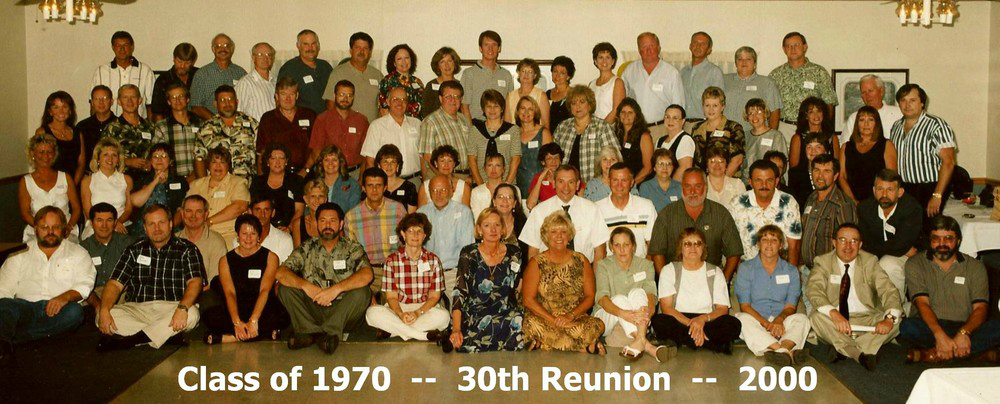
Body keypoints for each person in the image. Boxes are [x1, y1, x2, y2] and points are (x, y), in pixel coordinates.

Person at [96, 204, 205, 351]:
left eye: (161, 222)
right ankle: (165, 335)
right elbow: (115, 284)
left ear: (170, 224)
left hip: (172, 307)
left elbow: (195, 282)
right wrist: (104, 310)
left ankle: (131, 341)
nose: (157, 228)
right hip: (138, 309)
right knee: (102, 314)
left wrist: (182, 308)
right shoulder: (133, 250)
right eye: (151, 224)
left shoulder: (187, 249)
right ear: (145, 228)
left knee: (191, 313)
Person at [0, 206, 95, 364]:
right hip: (24, 309)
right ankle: (10, 337)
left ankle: (11, 339)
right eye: (44, 227)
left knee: (75, 312)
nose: (50, 232)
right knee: (5, 306)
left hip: (58, 309)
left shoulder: (78, 253)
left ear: (63, 228)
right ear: (35, 229)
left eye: (55, 227)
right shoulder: (19, 253)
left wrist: (64, 297)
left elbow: (85, 283)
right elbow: (3, 288)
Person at [275, 202, 373, 354]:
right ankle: (309, 331)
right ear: (317, 223)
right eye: (323, 221)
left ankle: (328, 332)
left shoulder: (352, 247)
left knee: (363, 292)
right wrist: (306, 286)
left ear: (341, 224)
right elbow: (281, 272)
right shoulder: (307, 247)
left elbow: (367, 274)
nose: (327, 225)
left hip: (343, 309)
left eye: (332, 221)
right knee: (284, 288)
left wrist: (336, 290)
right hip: (313, 307)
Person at [900, 215, 1000, 362]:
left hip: (967, 326)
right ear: (929, 240)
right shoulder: (915, 264)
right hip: (931, 326)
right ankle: (974, 354)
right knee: (907, 327)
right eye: (936, 238)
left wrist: (964, 333)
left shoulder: (975, 267)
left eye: (948, 238)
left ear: (958, 241)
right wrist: (939, 335)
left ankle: (934, 354)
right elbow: (922, 304)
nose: (942, 243)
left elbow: (981, 308)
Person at [806, 223, 901, 371]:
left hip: (868, 318)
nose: (848, 246)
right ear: (834, 243)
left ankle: (842, 347)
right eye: (843, 240)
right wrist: (834, 313)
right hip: (835, 321)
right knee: (816, 318)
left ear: (860, 245)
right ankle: (860, 352)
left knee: (897, 320)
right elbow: (814, 290)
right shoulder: (823, 262)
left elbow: (888, 290)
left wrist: (888, 319)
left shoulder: (870, 261)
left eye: (854, 241)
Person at [522, 211, 606, 353]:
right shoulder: (536, 262)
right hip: (545, 318)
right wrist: (554, 320)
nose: (559, 236)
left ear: (569, 236)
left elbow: (590, 297)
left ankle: (545, 344)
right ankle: (584, 345)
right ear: (546, 236)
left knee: (598, 324)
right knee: (531, 323)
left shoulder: (581, 260)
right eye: (554, 232)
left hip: (574, 319)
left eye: (563, 232)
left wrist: (569, 316)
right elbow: (528, 300)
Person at [445, 207, 525, 353]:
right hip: (475, 313)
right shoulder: (469, 253)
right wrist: (456, 328)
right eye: (487, 225)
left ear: (503, 229)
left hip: (504, 312)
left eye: (497, 225)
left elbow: (518, 287)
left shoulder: (514, 253)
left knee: (519, 321)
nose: (493, 230)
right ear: (479, 230)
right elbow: (459, 291)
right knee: (468, 331)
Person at [651, 227, 741, 354]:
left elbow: (722, 309)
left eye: (698, 243)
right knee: (659, 321)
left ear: (703, 247)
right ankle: (711, 343)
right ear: (680, 247)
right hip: (680, 319)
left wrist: (701, 320)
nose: (693, 248)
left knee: (733, 324)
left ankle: (683, 341)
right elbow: (666, 308)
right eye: (687, 244)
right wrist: (692, 324)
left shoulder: (715, 272)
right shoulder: (669, 270)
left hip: (707, 320)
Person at [203, 214, 289, 344]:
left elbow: (265, 290)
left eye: (253, 234)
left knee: (282, 316)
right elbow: (230, 293)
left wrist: (253, 320)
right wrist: (237, 322)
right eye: (244, 234)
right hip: (236, 306)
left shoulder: (271, 257)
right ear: (237, 235)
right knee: (210, 316)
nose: (248, 238)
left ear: (259, 236)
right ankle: (261, 334)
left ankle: (231, 337)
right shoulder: (225, 260)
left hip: (261, 306)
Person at [365, 213, 450, 341]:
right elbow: (391, 297)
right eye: (410, 231)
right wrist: (400, 314)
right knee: (372, 313)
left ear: (424, 235)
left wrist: (417, 313)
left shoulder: (433, 260)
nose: (415, 235)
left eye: (419, 231)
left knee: (444, 317)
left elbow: (434, 296)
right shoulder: (391, 261)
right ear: (403, 234)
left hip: (424, 308)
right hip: (398, 307)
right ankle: (423, 335)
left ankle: (394, 332)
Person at [734, 225, 810, 366]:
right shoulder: (745, 269)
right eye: (764, 239)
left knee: (802, 319)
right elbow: (745, 306)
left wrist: (779, 321)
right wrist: (767, 324)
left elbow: (790, 306)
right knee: (740, 319)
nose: (769, 244)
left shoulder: (791, 271)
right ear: (758, 244)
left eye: (774, 240)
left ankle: (777, 349)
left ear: (781, 245)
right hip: (757, 321)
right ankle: (785, 350)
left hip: (781, 323)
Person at [649, 168, 744, 279]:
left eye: (698, 186)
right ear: (681, 187)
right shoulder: (666, 215)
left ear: (705, 187)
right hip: (677, 279)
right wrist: (666, 282)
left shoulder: (720, 213)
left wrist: (723, 281)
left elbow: (734, 252)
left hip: (711, 279)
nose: (692, 192)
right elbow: (657, 252)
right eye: (688, 186)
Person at [593, 227, 670, 361]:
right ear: (611, 248)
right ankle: (647, 344)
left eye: (626, 245)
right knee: (619, 298)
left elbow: (651, 295)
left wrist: (647, 313)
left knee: (638, 292)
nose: (622, 249)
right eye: (617, 245)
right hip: (606, 316)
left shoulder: (646, 265)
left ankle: (640, 341)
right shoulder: (603, 266)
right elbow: (602, 299)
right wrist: (623, 313)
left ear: (633, 246)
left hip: (638, 316)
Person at [890, 84, 956, 218]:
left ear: (922, 103)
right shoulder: (896, 126)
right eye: (903, 100)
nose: (907, 105)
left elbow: (948, 162)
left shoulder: (936, 125)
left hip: (929, 189)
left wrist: (937, 195)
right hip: (905, 190)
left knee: (927, 228)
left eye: (912, 100)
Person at [521, 165, 610, 262]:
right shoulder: (539, 211)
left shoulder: (592, 209)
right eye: (561, 182)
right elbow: (533, 251)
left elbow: (600, 250)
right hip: (548, 268)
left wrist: (593, 272)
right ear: (554, 183)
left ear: (577, 184)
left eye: (571, 182)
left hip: (584, 268)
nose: (566, 187)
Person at [858, 170, 922, 302]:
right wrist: (899, 248)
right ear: (874, 190)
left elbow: (902, 244)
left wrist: (898, 248)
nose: (884, 195)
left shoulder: (912, 208)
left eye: (890, 190)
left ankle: (896, 307)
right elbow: (866, 243)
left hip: (909, 257)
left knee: (888, 264)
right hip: (891, 252)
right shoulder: (865, 208)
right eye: (880, 189)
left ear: (900, 192)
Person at [344, 168, 407, 297]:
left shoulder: (398, 210)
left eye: (378, 185)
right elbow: (352, 254)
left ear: (385, 187)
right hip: (367, 273)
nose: (374, 190)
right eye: (370, 186)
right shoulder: (352, 216)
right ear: (363, 188)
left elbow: (407, 244)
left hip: (395, 271)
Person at [731, 160, 802, 267]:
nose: (764, 185)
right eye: (758, 180)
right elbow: (732, 245)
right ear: (750, 182)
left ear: (776, 181)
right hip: (748, 267)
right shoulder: (737, 203)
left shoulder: (788, 202)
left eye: (769, 180)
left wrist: (791, 273)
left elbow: (794, 246)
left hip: (780, 266)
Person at [417, 175, 476, 299]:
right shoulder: (421, 214)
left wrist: (463, 276)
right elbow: (417, 247)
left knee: (457, 306)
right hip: (428, 273)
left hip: (454, 273)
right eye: (434, 190)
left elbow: (467, 249)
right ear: (429, 193)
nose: (439, 195)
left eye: (443, 190)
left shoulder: (464, 212)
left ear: (451, 191)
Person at [769, 32, 838, 138]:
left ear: (805, 47)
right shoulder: (775, 75)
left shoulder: (819, 72)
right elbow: (769, 106)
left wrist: (823, 129)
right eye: (788, 46)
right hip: (783, 129)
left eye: (796, 45)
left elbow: (829, 103)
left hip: (811, 128)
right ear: (784, 49)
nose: (792, 49)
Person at [19, 134, 82, 242]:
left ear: (54, 154)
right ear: (33, 153)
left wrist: (68, 227)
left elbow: (76, 208)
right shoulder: (26, 181)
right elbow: (25, 214)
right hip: (37, 233)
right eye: (41, 152)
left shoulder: (65, 177)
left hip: (65, 233)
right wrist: (42, 229)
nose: (46, 156)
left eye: (49, 152)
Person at [801, 154, 858, 272]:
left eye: (826, 171)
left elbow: (850, 244)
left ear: (835, 175)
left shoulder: (842, 205)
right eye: (817, 170)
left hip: (831, 272)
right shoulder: (811, 198)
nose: (820, 176)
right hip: (807, 270)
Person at [622, 32, 685, 139]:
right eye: (644, 47)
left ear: (658, 48)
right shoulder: (629, 71)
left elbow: (679, 106)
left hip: (662, 129)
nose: (648, 50)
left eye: (652, 46)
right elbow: (623, 102)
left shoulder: (671, 73)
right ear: (639, 50)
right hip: (635, 129)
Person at [553, 85, 619, 183]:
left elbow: (615, 158)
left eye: (582, 102)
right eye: (574, 103)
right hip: (566, 184)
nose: (578, 106)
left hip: (594, 184)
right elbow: (553, 157)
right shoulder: (562, 127)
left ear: (590, 105)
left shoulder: (602, 127)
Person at [187, 146, 250, 242]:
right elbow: (187, 210)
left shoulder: (238, 183)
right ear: (208, 165)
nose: (218, 166)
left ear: (228, 166)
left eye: (222, 162)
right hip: (200, 236)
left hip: (228, 236)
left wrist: (209, 221)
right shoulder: (196, 185)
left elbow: (239, 207)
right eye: (214, 162)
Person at [194, 85, 259, 179]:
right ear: (215, 104)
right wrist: (203, 185)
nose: (227, 103)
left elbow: (261, 155)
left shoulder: (252, 124)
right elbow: (199, 159)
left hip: (247, 183)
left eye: (230, 99)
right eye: (222, 100)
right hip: (216, 185)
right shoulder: (206, 128)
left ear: (237, 102)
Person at [309, 80, 370, 178]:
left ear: (353, 98)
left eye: (349, 95)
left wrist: (361, 177)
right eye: (342, 94)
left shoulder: (362, 121)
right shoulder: (322, 119)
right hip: (330, 174)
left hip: (355, 174)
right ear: (334, 96)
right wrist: (326, 175)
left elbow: (366, 153)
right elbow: (316, 151)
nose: (345, 99)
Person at [256, 77, 316, 176]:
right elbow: (261, 152)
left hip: (306, 173)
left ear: (297, 95)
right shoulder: (268, 119)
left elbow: (317, 147)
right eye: (283, 94)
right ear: (277, 96)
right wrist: (261, 180)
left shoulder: (309, 115)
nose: (288, 99)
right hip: (276, 175)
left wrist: (305, 171)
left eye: (291, 94)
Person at [596, 163, 658, 258]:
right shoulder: (597, 209)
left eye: (624, 180)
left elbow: (653, 245)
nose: (619, 185)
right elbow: (598, 250)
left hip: (640, 264)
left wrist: (646, 265)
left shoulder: (646, 206)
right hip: (610, 265)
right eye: (615, 180)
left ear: (632, 182)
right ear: (609, 181)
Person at [839, 106, 898, 203]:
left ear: (877, 123)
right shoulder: (846, 147)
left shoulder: (886, 145)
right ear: (857, 124)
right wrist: (853, 201)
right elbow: (841, 176)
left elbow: (891, 176)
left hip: (878, 201)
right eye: (862, 120)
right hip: (851, 201)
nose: (866, 124)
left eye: (871, 120)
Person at [81, 203, 134, 308]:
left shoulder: (128, 244)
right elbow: (81, 282)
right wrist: (98, 305)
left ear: (115, 222)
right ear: (91, 223)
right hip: (92, 295)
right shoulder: (83, 248)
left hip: (121, 294)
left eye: (109, 220)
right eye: (99, 220)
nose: (104, 225)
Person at [92, 31, 156, 118]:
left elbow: (150, 104)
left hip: (137, 123)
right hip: (108, 123)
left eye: (125, 45)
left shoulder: (145, 71)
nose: (122, 49)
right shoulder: (101, 71)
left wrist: (150, 125)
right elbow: (93, 103)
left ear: (132, 47)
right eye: (118, 45)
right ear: (113, 47)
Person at [129, 143, 188, 237]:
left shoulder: (180, 181)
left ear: (170, 161)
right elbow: (135, 202)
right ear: (151, 161)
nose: (159, 159)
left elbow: (181, 210)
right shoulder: (142, 179)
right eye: (155, 156)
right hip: (143, 230)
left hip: (171, 229)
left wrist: (168, 228)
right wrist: (155, 181)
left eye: (164, 156)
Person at [361, 86, 419, 182]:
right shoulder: (376, 126)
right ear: (388, 102)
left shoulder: (417, 124)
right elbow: (370, 160)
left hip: (414, 180)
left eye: (403, 100)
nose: (399, 103)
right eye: (395, 99)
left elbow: (422, 157)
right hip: (387, 181)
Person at [322, 32, 383, 122]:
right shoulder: (338, 73)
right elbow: (330, 104)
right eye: (357, 47)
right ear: (351, 51)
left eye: (365, 48)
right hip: (347, 128)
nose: (361, 52)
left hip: (372, 128)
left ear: (370, 52)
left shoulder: (377, 75)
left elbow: (383, 105)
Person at [101, 84, 156, 180]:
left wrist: (151, 163)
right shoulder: (111, 128)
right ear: (119, 101)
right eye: (125, 97)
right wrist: (127, 161)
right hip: (120, 180)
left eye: (133, 97)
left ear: (140, 100)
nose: (129, 101)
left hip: (148, 180)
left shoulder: (150, 127)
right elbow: (102, 156)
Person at [81, 137, 133, 239]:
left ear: (118, 160)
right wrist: (107, 225)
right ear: (98, 159)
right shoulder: (87, 181)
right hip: (95, 227)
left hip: (120, 225)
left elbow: (128, 209)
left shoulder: (127, 179)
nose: (110, 159)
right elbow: (88, 211)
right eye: (105, 155)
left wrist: (116, 223)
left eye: (114, 155)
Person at [723, 46, 782, 133]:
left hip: (752, 135)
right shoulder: (724, 80)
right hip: (726, 133)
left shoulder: (767, 83)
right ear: (735, 63)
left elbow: (774, 111)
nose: (744, 62)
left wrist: (771, 135)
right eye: (740, 59)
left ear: (755, 64)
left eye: (748, 59)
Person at [419, 81, 472, 178]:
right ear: (440, 98)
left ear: (461, 99)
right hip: (442, 177)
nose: (453, 100)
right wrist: (446, 179)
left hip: (466, 176)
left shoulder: (463, 119)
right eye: (448, 97)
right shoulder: (430, 122)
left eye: (457, 97)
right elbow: (427, 159)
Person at [469, 90, 521, 185]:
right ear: (483, 108)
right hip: (481, 183)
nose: (492, 110)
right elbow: (472, 159)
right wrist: (481, 186)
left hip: (507, 183)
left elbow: (516, 159)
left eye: (496, 106)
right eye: (489, 106)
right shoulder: (475, 130)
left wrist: (506, 185)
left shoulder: (513, 130)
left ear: (502, 108)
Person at [190, 33, 248, 120]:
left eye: (226, 45)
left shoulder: (241, 73)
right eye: (218, 46)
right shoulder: (202, 74)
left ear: (231, 49)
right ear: (213, 49)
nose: (222, 49)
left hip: (237, 125)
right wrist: (218, 122)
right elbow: (195, 106)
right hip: (210, 125)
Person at [277, 29, 333, 115]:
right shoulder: (289, 69)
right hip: (302, 120)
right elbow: (281, 101)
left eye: (313, 44)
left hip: (326, 119)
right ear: (298, 46)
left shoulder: (325, 67)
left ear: (318, 45)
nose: (310, 48)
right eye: (306, 44)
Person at [152, 83, 202, 180]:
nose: (177, 100)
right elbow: (157, 158)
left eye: (181, 96)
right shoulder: (161, 127)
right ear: (168, 102)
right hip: (171, 180)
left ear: (187, 99)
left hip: (198, 178)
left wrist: (194, 177)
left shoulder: (200, 124)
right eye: (173, 97)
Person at [691, 87, 745, 176]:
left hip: (727, 179)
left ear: (722, 107)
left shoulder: (733, 128)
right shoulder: (696, 128)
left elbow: (737, 159)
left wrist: (721, 181)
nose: (711, 109)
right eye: (707, 105)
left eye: (715, 105)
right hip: (701, 180)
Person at [461, 30, 514, 121]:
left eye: (494, 45)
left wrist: (506, 127)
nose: (490, 49)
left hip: (499, 125)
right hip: (476, 125)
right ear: (480, 48)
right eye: (486, 45)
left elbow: (509, 107)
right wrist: (471, 128)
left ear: (499, 48)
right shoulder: (469, 74)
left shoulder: (506, 75)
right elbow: (464, 106)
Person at [250, 143, 305, 229]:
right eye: (273, 158)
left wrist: (289, 228)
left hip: (287, 228)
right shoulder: (257, 182)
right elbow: (252, 209)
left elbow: (299, 210)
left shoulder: (296, 181)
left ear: (286, 161)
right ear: (268, 162)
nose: (277, 162)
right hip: (261, 227)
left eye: (281, 158)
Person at [176, 195, 228, 285]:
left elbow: (215, 281)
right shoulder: (173, 241)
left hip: (205, 292)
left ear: (206, 214)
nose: (193, 216)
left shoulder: (216, 242)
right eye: (188, 211)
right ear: (182, 213)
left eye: (199, 211)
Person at [840, 74, 903, 146]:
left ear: (881, 91)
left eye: (870, 91)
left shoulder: (898, 114)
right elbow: (844, 146)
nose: (867, 95)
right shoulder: (854, 118)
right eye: (863, 92)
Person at [36, 91, 85, 184]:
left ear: (70, 111)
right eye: (56, 107)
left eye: (65, 107)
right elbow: (39, 162)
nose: (61, 111)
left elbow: (81, 164)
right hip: (50, 184)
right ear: (50, 111)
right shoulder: (42, 132)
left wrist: (71, 186)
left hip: (74, 184)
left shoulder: (78, 133)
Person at [681, 32, 724, 123]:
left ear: (709, 50)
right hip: (683, 124)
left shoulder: (714, 72)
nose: (698, 46)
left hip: (704, 124)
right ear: (690, 46)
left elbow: (718, 103)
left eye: (703, 44)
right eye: (695, 42)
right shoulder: (683, 72)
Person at [150, 43, 199, 122]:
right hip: (169, 124)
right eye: (179, 61)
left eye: (187, 63)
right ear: (173, 58)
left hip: (197, 123)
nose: (182, 66)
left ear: (193, 62)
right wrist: (161, 128)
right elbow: (157, 112)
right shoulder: (163, 80)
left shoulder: (199, 75)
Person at [515, 96, 553, 197]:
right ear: (518, 111)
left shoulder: (544, 133)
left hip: (540, 187)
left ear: (535, 112)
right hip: (518, 188)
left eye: (530, 109)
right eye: (523, 108)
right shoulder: (514, 133)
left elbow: (550, 162)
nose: (526, 112)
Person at [789, 97, 840, 171]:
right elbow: (793, 169)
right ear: (806, 116)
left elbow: (836, 167)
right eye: (811, 112)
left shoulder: (832, 138)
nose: (816, 115)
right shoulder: (797, 138)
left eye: (819, 111)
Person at [238, 196, 294, 263]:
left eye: (266, 210)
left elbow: (287, 268)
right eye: (258, 210)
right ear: (250, 212)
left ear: (273, 213)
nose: (262, 215)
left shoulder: (284, 240)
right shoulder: (242, 240)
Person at [743, 98, 788, 180]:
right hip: (747, 182)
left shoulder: (776, 136)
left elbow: (781, 165)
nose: (754, 116)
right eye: (751, 113)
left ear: (765, 114)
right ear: (747, 117)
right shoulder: (745, 136)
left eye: (759, 112)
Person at [613, 98, 653, 184]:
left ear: (636, 116)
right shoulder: (615, 134)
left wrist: (632, 183)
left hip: (640, 182)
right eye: (623, 112)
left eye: (630, 112)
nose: (626, 115)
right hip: (621, 182)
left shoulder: (644, 136)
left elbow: (648, 168)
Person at [311, 145, 362, 213]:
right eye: (326, 160)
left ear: (340, 162)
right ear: (321, 163)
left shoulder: (352, 185)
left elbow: (354, 213)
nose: (330, 163)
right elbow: (307, 210)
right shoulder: (313, 185)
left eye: (334, 160)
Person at [234, 42, 277, 122]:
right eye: (260, 55)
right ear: (253, 58)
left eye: (268, 55)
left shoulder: (276, 81)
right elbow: (238, 113)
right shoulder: (245, 83)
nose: (265, 58)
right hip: (256, 129)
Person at [378, 44, 423, 118]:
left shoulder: (417, 82)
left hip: (416, 123)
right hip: (395, 123)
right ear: (394, 63)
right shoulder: (387, 81)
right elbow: (384, 110)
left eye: (406, 58)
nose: (404, 62)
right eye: (399, 59)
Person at [76, 85, 116, 168]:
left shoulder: (120, 126)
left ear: (111, 101)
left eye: (105, 98)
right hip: (87, 173)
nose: (101, 102)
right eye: (97, 99)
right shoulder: (82, 126)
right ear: (92, 102)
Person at [788, 133, 831, 209]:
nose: (813, 150)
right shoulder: (795, 174)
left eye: (818, 147)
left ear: (826, 151)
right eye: (809, 147)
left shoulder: (832, 172)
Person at [505, 58, 550, 128]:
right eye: (523, 71)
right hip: (515, 134)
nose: (526, 74)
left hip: (535, 134)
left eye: (530, 72)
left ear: (535, 75)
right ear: (518, 73)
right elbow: (507, 123)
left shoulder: (541, 95)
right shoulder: (510, 96)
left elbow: (545, 124)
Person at [655, 104, 695, 181]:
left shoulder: (685, 140)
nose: (670, 121)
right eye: (667, 117)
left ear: (683, 121)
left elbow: (685, 168)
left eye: (675, 118)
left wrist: (669, 185)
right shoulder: (660, 141)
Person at [490, 184, 528, 262]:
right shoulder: (486, 224)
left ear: (514, 203)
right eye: (500, 197)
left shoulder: (524, 225)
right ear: (494, 202)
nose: (505, 200)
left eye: (509, 197)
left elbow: (528, 257)